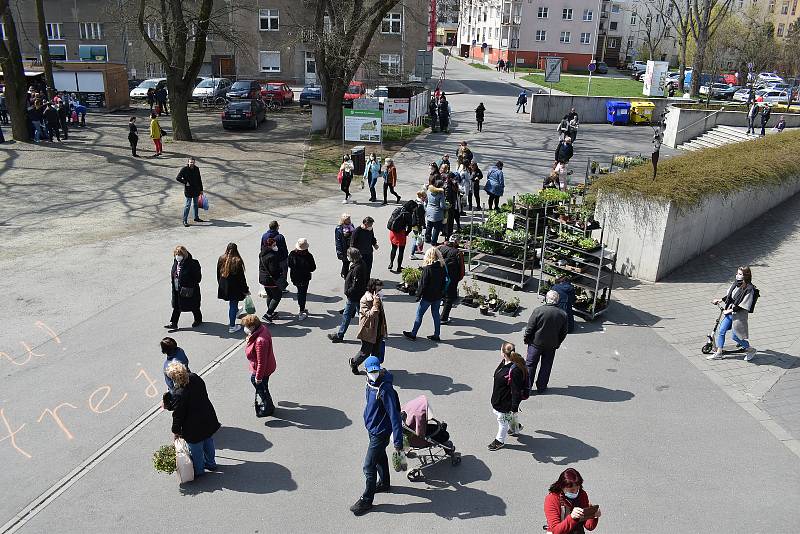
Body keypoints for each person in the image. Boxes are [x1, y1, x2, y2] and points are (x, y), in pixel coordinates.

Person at [349, 356, 404, 516]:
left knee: (368, 466)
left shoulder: (385, 389)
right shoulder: (370, 382)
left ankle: (367, 500)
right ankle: (385, 483)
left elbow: (394, 416)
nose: (373, 373)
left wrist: (398, 442)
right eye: (370, 371)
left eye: (375, 370)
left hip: (380, 433)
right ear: (366, 370)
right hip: (372, 428)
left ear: (379, 368)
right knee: (379, 457)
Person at [163, 362, 220, 479]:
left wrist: (176, 431)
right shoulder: (195, 378)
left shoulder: (179, 393)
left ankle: (199, 471)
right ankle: (211, 463)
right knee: (208, 440)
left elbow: (178, 415)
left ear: (174, 378)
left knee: (196, 449)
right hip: (207, 416)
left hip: (193, 426)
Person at [707, 266, 757, 361]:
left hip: (738, 316)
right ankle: (719, 353)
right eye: (737, 273)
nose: (737, 275)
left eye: (740, 274)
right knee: (721, 331)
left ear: (746, 276)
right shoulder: (736, 284)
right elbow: (730, 296)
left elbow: (743, 305)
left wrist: (729, 310)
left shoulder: (749, 289)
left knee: (736, 336)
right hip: (730, 313)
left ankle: (751, 350)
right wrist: (720, 300)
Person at [523, 290, 568, 393]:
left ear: (546, 299)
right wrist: (557, 343)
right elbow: (564, 332)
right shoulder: (563, 314)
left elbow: (530, 328)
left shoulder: (538, 311)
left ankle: (527, 388)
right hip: (551, 346)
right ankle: (542, 387)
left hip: (535, 344)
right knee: (546, 366)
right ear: (557, 301)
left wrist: (526, 339)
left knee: (530, 365)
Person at [488, 342, 528, 451]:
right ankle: (515, 427)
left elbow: (516, 391)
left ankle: (499, 441)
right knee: (504, 415)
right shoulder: (504, 363)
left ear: (503, 353)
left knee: (502, 420)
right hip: (500, 398)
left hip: (505, 401)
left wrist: (514, 407)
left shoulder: (514, 370)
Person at [403, 247, 446, 342]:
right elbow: (444, 282)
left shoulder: (427, 269)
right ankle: (436, 335)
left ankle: (413, 334)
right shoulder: (442, 267)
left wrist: (418, 295)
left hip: (428, 296)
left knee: (419, 314)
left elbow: (423, 284)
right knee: (436, 314)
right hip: (437, 295)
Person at [329, 248, 368, 343]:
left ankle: (340, 335)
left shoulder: (358, 268)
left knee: (347, 316)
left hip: (354, 297)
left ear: (352, 257)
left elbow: (356, 285)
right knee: (362, 315)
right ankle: (367, 334)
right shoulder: (360, 264)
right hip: (360, 295)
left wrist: (348, 292)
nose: (347, 257)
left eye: (348, 256)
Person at [545, 468, 601, 533]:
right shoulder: (552, 499)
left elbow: (589, 526)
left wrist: (593, 515)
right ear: (562, 487)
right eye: (571, 490)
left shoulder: (582, 494)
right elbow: (556, 531)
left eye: (578, 488)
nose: (575, 492)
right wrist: (572, 517)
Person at [242, 314, 277, 417]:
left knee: (261, 387)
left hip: (262, 370)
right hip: (268, 366)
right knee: (264, 386)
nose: (245, 328)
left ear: (252, 327)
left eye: (246, 326)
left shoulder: (260, 341)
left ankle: (268, 406)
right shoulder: (262, 330)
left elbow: (261, 362)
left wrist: (258, 377)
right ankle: (267, 402)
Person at [351, 279, 388, 374]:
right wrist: (375, 303)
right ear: (373, 289)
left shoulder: (378, 297)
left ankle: (374, 370)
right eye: (379, 290)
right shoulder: (365, 300)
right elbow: (371, 315)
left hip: (378, 329)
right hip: (369, 330)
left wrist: (384, 329)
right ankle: (354, 362)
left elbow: (381, 315)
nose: (380, 292)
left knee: (376, 352)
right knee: (365, 352)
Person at [166, 245, 203, 329]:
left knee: (194, 306)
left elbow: (198, 278)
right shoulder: (176, 263)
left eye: (179, 254)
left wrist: (187, 283)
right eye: (176, 254)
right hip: (177, 289)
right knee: (177, 306)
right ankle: (173, 323)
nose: (177, 256)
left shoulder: (193, 263)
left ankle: (198, 319)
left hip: (189, 289)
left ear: (184, 254)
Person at [217, 242, 249, 333]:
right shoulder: (237, 261)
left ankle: (236, 313)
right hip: (235, 287)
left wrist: (220, 284)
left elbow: (218, 274)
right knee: (233, 305)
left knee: (233, 304)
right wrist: (246, 290)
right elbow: (241, 278)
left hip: (225, 286)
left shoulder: (221, 258)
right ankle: (232, 326)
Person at [439, 234, 465, 324]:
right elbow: (461, 269)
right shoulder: (458, 253)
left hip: (439, 275)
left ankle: (436, 313)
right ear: (456, 242)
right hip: (452, 278)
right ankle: (443, 318)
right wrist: (459, 278)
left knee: (439, 292)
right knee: (449, 298)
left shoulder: (441, 248)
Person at [288, 238, 316, 320]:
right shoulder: (308, 256)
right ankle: (301, 310)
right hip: (304, 278)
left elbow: (289, 264)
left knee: (300, 291)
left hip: (294, 277)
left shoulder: (292, 254)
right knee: (302, 293)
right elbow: (313, 268)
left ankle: (302, 307)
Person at [259, 238, 283, 322]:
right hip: (271, 279)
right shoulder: (272, 256)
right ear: (269, 246)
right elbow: (273, 270)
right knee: (277, 295)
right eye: (274, 245)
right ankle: (268, 314)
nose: (275, 246)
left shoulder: (262, 254)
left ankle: (271, 312)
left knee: (270, 295)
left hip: (263, 278)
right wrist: (280, 271)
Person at [388, 200, 416, 273]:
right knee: (401, 251)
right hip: (401, 233)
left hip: (392, 232)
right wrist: (406, 233)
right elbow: (410, 227)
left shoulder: (398, 209)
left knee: (393, 248)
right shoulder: (408, 214)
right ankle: (399, 267)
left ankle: (391, 263)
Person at [177, 157, 204, 227]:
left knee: (196, 204)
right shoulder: (184, 169)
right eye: (190, 162)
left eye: (193, 162)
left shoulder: (197, 169)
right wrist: (185, 182)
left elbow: (199, 179)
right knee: (187, 206)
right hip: (188, 191)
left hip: (196, 190)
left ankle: (196, 217)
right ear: (188, 162)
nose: (192, 163)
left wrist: (201, 189)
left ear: (194, 163)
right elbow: (178, 178)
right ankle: (184, 220)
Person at [261, 221, 289, 290]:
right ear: (277, 227)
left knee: (270, 272)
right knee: (282, 273)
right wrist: (285, 258)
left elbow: (262, 247)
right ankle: (282, 288)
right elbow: (284, 249)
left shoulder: (264, 236)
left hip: (268, 258)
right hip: (281, 259)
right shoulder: (280, 237)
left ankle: (271, 287)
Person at [424, 180, 446, 245]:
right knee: (436, 228)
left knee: (429, 226)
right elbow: (442, 206)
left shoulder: (429, 191)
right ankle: (433, 242)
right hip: (437, 213)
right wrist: (446, 207)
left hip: (429, 211)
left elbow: (426, 201)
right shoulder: (440, 194)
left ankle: (427, 239)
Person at [335, 213, 355, 278]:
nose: (349, 220)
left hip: (350, 247)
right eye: (347, 219)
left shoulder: (351, 225)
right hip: (344, 248)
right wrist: (339, 252)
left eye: (349, 218)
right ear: (343, 220)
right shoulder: (339, 228)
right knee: (346, 262)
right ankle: (345, 275)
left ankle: (344, 273)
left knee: (350, 261)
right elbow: (338, 241)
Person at [409, 191, 427, 260]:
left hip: (414, 224)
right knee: (415, 239)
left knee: (416, 237)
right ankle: (412, 254)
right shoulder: (420, 206)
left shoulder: (416, 202)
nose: (425, 198)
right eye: (425, 197)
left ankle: (417, 250)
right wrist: (420, 227)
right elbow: (419, 218)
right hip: (417, 225)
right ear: (421, 197)